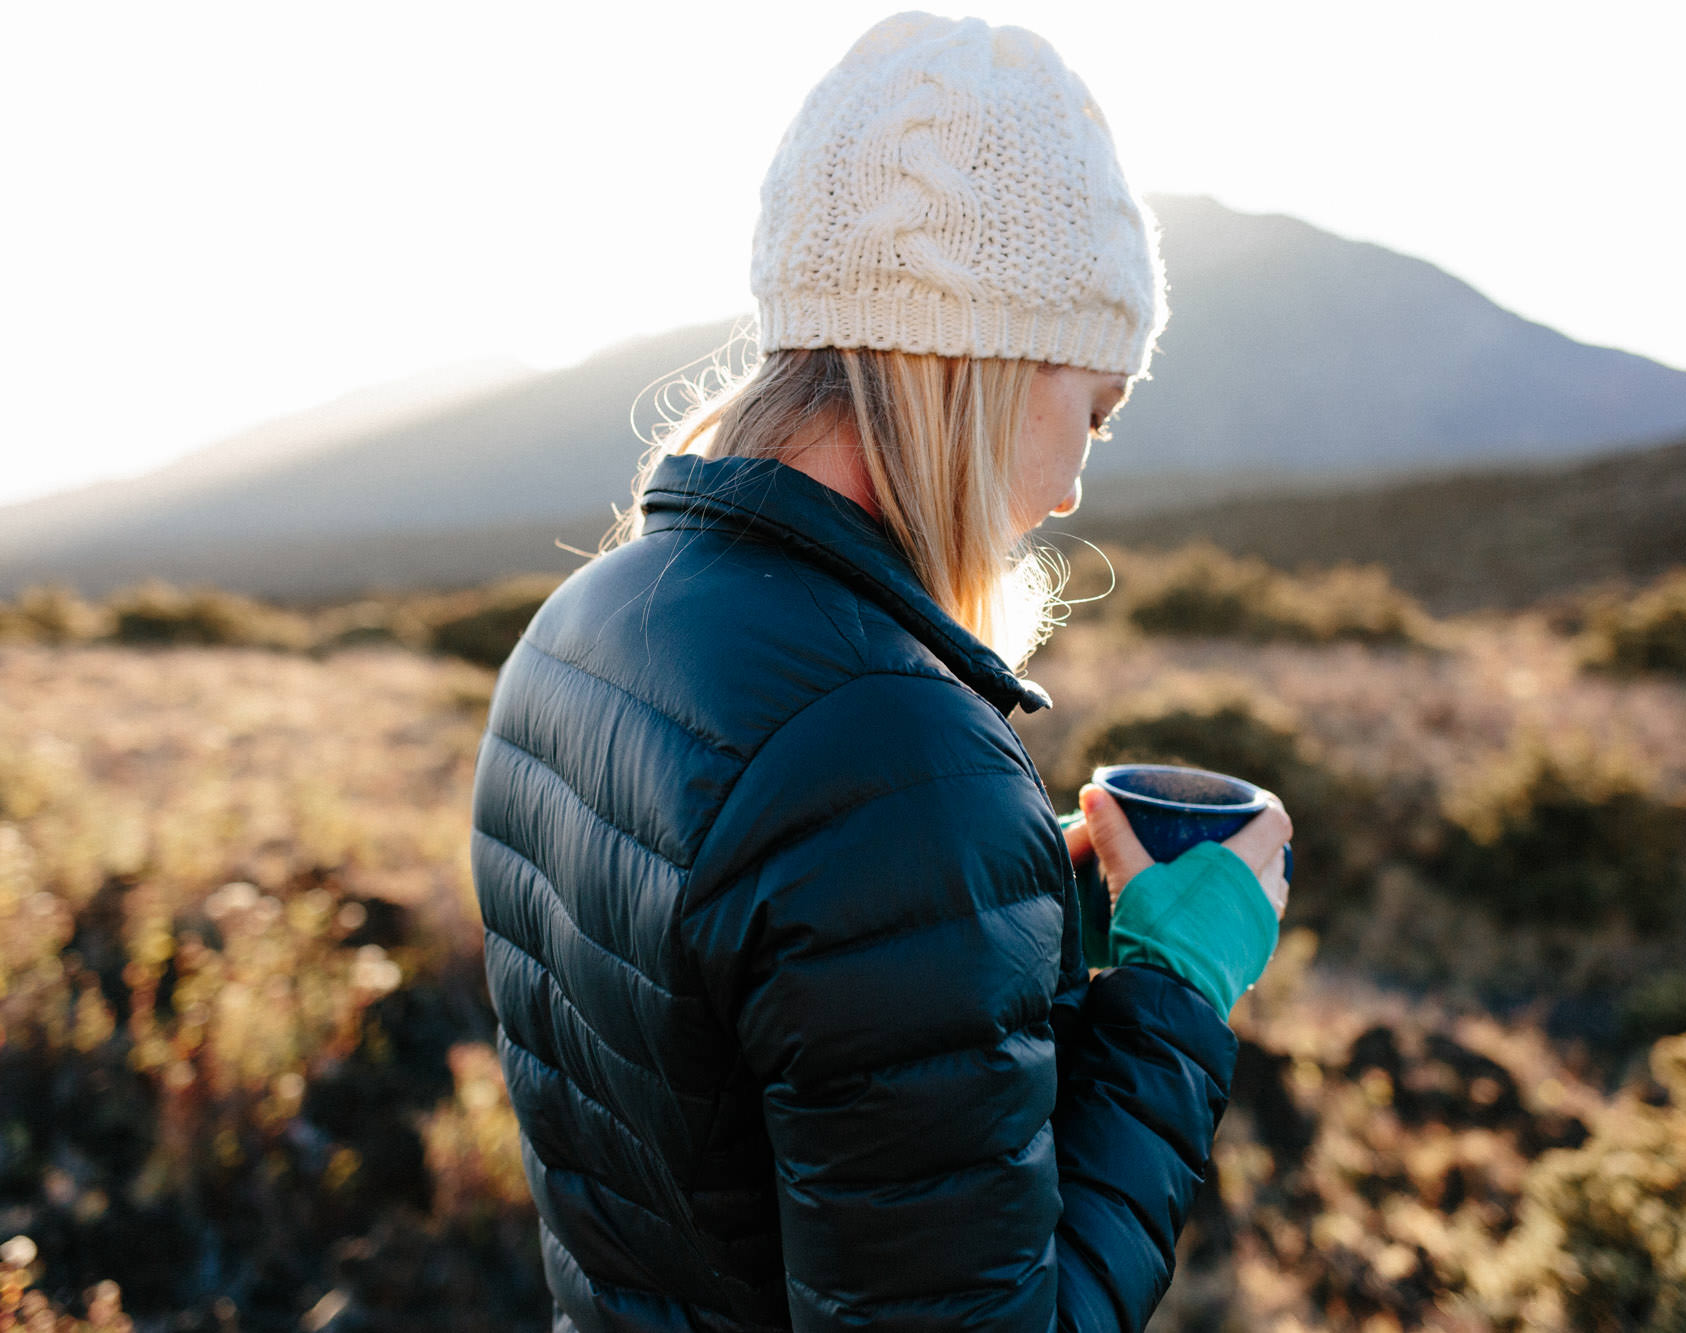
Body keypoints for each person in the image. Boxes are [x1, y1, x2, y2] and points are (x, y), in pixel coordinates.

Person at [469, 12, 1292, 1330]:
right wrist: (1176, 993)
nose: (1078, 479)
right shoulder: (890, 754)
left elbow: (722, 1122)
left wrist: (1007, 928)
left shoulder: (578, 626)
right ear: (992, 359)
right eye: (1094, 405)